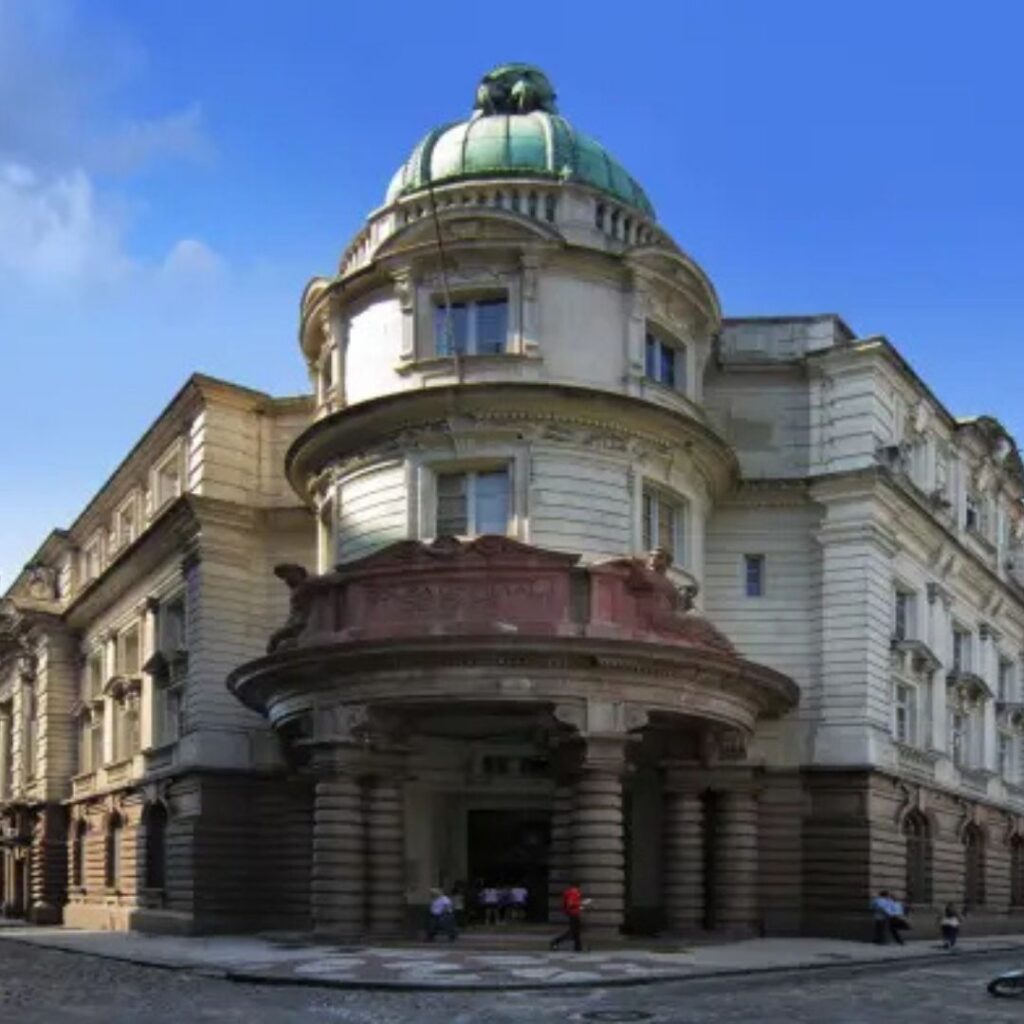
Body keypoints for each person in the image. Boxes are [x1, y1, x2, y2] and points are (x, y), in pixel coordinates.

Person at [550, 881, 586, 952]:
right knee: (573, 931)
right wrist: (580, 903)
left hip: (573, 913)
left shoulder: (570, 892)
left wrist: (580, 906)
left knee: (576, 931)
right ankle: (555, 942)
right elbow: (570, 904)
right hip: (574, 914)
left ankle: (578, 947)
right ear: (577, 886)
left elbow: (570, 904)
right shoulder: (573, 893)